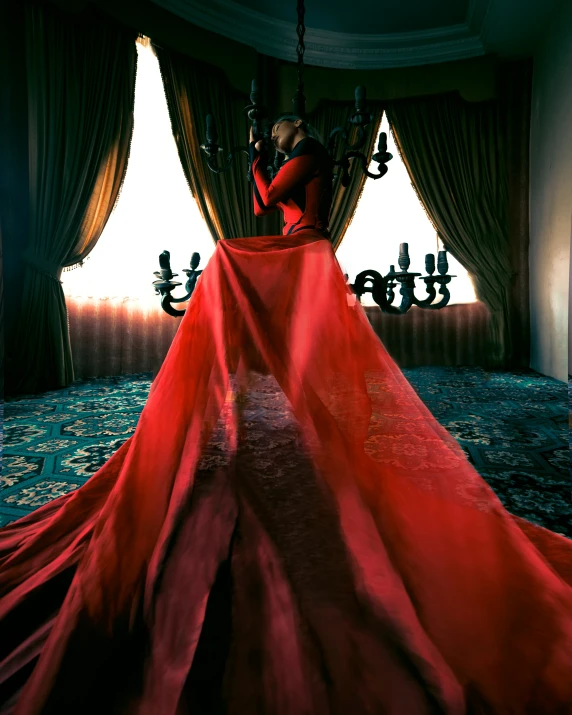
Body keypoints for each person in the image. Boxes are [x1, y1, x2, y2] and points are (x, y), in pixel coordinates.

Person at [1, 115, 572, 715]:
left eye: (275, 133)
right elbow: (261, 200)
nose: (272, 139)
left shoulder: (316, 148)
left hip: (307, 249)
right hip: (299, 246)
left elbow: (272, 197)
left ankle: (264, 387)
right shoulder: (291, 155)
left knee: (230, 261)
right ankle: (257, 384)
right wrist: (255, 161)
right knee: (247, 289)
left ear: (293, 127)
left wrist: (259, 161)